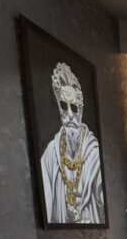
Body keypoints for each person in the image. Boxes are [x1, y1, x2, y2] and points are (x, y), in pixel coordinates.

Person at [40, 62, 105, 224]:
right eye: (64, 106)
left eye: (74, 107)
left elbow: (104, 201)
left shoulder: (94, 153)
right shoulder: (50, 154)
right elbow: (45, 208)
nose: (69, 115)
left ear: (80, 110)